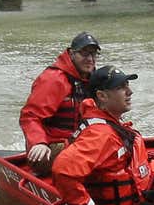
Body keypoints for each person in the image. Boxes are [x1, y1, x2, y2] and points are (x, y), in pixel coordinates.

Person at [50, 65, 154, 205]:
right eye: (121, 87)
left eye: (128, 85)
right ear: (102, 96)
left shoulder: (109, 124)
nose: (130, 92)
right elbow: (63, 170)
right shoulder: (101, 134)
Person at [19, 32, 101, 176]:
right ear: (71, 53)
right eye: (84, 54)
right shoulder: (53, 79)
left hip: (81, 142)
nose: (90, 59)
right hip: (52, 147)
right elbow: (30, 117)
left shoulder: (94, 79)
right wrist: (39, 142)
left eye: (93, 54)